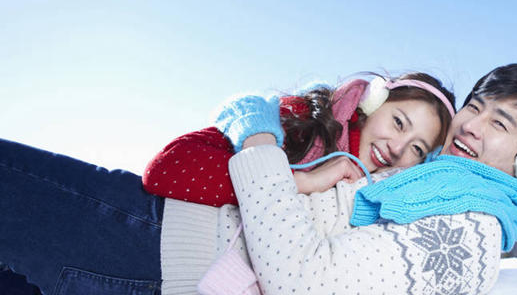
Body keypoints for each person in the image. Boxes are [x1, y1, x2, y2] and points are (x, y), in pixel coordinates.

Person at [0, 63, 517, 295]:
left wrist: (260, 145)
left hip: (151, 250)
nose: (472, 126)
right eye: (476, 106)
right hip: (155, 249)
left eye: (499, 122)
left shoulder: (467, 233)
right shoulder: (424, 184)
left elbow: (302, 280)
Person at [143, 72, 457, 203]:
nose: (398, 148)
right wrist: (301, 183)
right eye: (399, 122)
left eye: (417, 148)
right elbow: (166, 170)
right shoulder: (306, 123)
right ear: (372, 104)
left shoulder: (369, 192)